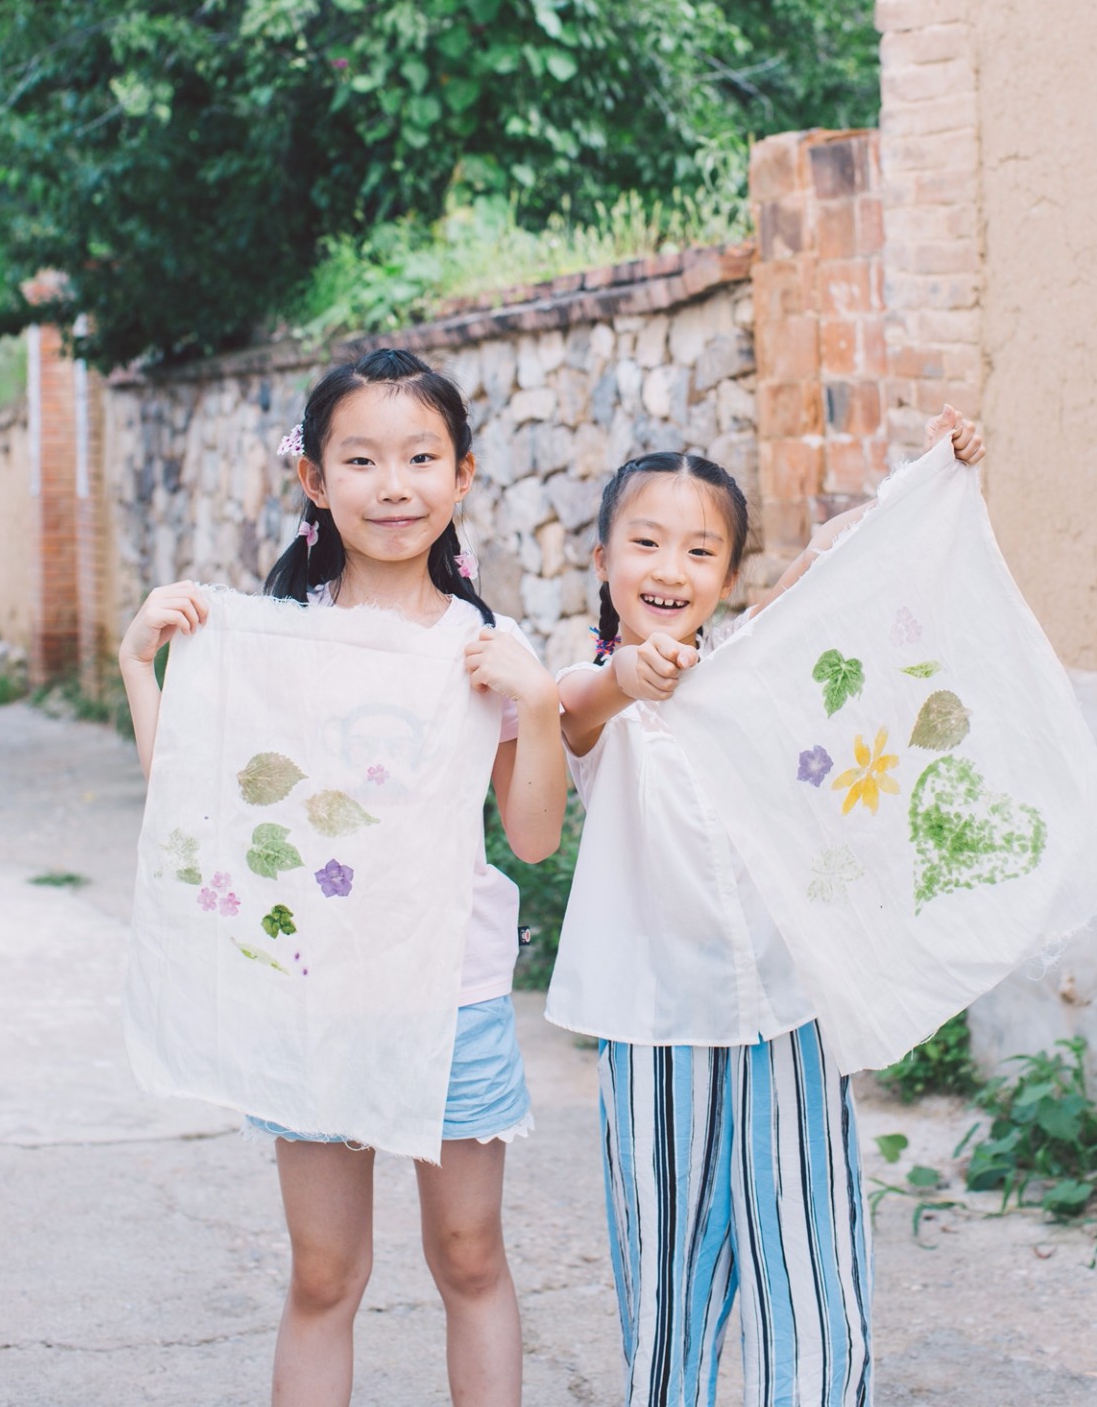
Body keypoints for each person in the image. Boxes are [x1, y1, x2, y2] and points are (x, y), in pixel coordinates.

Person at [119, 347, 566, 1407]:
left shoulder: (482, 648)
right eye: (360, 460)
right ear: (315, 479)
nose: (393, 485)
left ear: (462, 478)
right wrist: (142, 662)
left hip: (451, 1003)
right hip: (312, 1000)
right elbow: (200, 805)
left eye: (420, 458)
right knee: (325, 1275)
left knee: (468, 1259)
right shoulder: (278, 640)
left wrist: (538, 706)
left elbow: (535, 840)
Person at [548, 406, 984, 1407]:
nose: (670, 566)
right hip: (654, 1026)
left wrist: (930, 471)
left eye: (700, 549)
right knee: (668, 1277)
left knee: (808, 1255)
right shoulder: (584, 685)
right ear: (604, 555)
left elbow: (833, 566)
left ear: (729, 578)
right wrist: (628, 673)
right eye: (645, 541)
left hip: (787, 1015)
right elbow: (576, 708)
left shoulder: (749, 664)